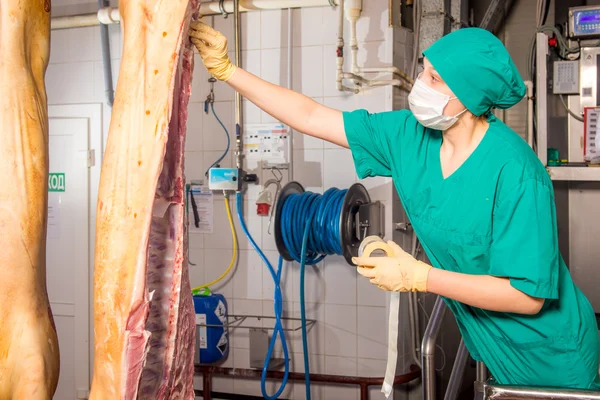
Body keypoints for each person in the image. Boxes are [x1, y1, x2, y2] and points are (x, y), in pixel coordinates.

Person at [189, 20, 600, 389]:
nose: (420, 83)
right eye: (424, 69)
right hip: (493, 349)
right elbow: (312, 116)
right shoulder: (409, 135)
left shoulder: (516, 172)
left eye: (435, 79)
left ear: (470, 97)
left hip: (552, 358)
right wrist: (229, 71)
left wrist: (420, 276)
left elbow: (527, 297)